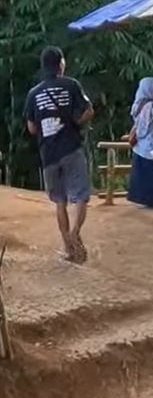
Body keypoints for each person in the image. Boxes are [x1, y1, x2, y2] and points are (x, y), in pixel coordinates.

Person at [23, 46, 93, 262]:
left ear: (44, 66)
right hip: (71, 147)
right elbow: (89, 111)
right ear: (61, 64)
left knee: (60, 201)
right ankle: (75, 234)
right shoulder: (71, 85)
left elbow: (32, 128)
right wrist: (75, 122)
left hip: (49, 154)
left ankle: (68, 247)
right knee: (81, 195)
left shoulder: (33, 93)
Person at [126, 77, 153, 210]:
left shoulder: (137, 104)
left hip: (139, 145)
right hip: (151, 144)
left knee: (142, 175)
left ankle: (143, 199)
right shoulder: (151, 105)